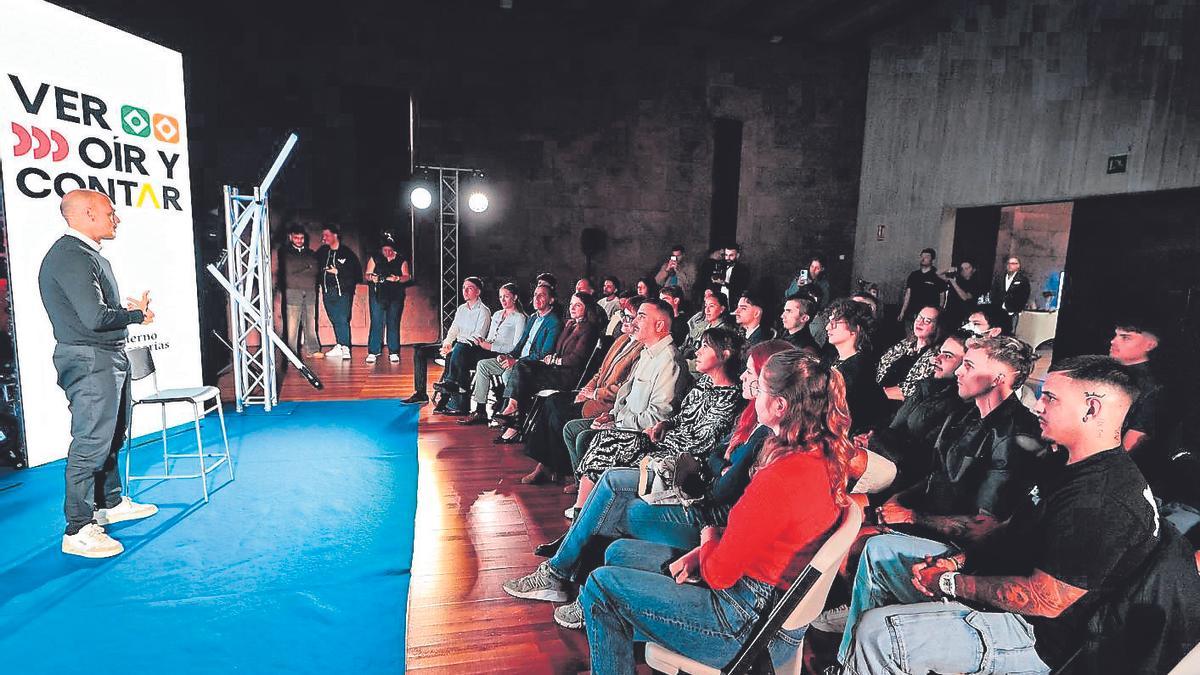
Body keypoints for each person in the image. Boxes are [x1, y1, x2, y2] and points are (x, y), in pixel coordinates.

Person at [839, 356, 1164, 675]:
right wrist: (955, 563)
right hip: (1000, 579)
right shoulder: (1062, 461)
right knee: (879, 552)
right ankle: (849, 663)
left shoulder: (1104, 498)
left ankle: (870, 656)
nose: (1038, 406)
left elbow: (1044, 599)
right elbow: (1008, 532)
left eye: (1050, 398)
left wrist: (948, 582)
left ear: (1091, 410)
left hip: (1035, 635)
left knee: (879, 635)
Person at [578, 350, 853, 674]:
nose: (753, 392)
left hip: (740, 623)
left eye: (761, 388)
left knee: (601, 586)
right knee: (620, 551)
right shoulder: (820, 455)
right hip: (763, 604)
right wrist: (704, 550)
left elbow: (719, 575)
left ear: (781, 406)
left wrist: (708, 537)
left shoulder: (782, 476)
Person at [503, 340, 796, 629]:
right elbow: (718, 455)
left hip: (702, 502)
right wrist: (719, 461)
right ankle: (567, 570)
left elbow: (720, 476)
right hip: (696, 480)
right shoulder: (751, 415)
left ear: (771, 387)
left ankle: (567, 574)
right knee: (611, 478)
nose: (744, 377)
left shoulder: (760, 425)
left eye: (750, 373)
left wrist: (720, 464)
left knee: (618, 493)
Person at [38, 189, 158, 558]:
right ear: (88, 213)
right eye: (110, 212)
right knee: (91, 442)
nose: (115, 218)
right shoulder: (71, 256)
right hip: (91, 360)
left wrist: (125, 314)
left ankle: (109, 503)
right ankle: (78, 529)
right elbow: (94, 319)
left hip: (105, 356)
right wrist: (137, 316)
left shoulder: (86, 255)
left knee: (111, 436)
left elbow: (96, 313)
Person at [571, 327, 743, 515]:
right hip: (667, 442)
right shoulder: (704, 383)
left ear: (724, 355)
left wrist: (659, 438)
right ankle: (581, 512)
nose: (697, 352)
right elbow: (683, 417)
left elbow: (702, 442)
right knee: (603, 440)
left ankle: (588, 516)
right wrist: (665, 424)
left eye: (705, 347)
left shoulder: (730, 397)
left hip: (683, 459)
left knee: (610, 449)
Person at [559, 300, 684, 509]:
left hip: (640, 434)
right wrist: (612, 415)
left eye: (642, 316)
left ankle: (595, 505)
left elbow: (658, 417)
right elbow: (625, 393)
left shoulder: (669, 361)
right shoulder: (648, 351)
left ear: (660, 325)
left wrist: (618, 423)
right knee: (572, 429)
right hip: (622, 421)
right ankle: (588, 494)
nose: (634, 321)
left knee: (584, 438)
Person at [521, 298, 646, 484]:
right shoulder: (622, 340)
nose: (625, 322)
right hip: (592, 393)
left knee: (560, 413)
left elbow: (625, 388)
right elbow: (600, 371)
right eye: (624, 317)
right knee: (551, 402)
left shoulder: (641, 348)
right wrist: (588, 388)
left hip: (607, 403)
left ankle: (568, 471)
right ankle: (545, 465)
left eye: (630, 317)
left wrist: (594, 394)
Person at [492, 292, 600, 442]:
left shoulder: (589, 329)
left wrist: (556, 361)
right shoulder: (570, 324)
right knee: (522, 366)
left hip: (568, 376)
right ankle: (513, 413)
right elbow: (558, 348)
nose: (572, 308)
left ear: (586, 308)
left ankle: (513, 417)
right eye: (571, 304)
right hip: (555, 369)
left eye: (578, 305)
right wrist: (552, 357)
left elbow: (577, 359)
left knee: (524, 376)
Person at [460, 284, 562, 425]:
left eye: (542, 295)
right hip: (516, 359)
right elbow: (520, 343)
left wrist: (516, 362)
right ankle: (480, 410)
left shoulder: (554, 322)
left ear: (551, 300)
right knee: (483, 365)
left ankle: (513, 416)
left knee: (508, 374)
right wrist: (509, 356)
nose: (536, 298)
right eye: (535, 295)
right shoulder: (533, 318)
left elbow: (543, 354)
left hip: (530, 365)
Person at [434, 282, 526, 414]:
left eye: (506, 296)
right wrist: (483, 342)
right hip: (487, 349)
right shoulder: (498, 314)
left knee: (460, 351)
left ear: (515, 297)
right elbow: (489, 337)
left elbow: (516, 347)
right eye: (501, 297)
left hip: (501, 354)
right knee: (456, 353)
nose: (503, 300)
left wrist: (490, 345)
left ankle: (454, 392)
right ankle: (458, 401)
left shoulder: (519, 318)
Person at [402, 277, 490, 405]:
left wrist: (454, 349)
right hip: (456, 346)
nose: (465, 291)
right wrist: (447, 343)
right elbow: (454, 329)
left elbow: (478, 337)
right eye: (463, 288)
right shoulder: (462, 309)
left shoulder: (484, 311)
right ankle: (420, 393)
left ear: (478, 292)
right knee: (419, 350)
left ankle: (448, 387)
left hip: (469, 349)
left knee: (458, 348)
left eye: (469, 288)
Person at [823, 298, 888, 435]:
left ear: (855, 328)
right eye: (829, 322)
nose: (828, 327)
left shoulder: (858, 368)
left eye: (835, 322)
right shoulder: (835, 360)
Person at [874, 305, 942, 400]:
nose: (920, 322)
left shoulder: (937, 355)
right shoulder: (904, 344)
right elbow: (881, 366)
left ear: (937, 327)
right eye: (919, 317)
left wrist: (877, 393)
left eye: (927, 321)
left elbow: (916, 389)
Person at [276, 224, 323, 359]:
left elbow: (315, 269)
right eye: (296, 238)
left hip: (310, 292)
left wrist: (304, 268)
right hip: (292, 291)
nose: (299, 240)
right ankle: (291, 354)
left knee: (311, 322)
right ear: (290, 237)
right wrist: (307, 267)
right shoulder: (284, 252)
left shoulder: (311, 253)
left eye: (301, 238)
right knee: (292, 323)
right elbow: (290, 269)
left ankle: (313, 350)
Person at [316, 225, 362, 359]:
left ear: (335, 235)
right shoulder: (322, 252)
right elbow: (312, 264)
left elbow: (357, 274)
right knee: (334, 319)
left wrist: (339, 272)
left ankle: (345, 347)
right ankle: (340, 345)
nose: (324, 238)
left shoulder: (347, 253)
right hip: (326, 291)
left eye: (327, 235)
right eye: (323, 235)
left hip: (343, 293)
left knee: (342, 318)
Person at [363, 241, 411, 364]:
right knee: (376, 321)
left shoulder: (401, 260)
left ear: (394, 250)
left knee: (393, 322)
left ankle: (393, 351)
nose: (387, 253)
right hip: (377, 294)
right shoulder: (375, 258)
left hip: (395, 295)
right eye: (384, 250)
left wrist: (398, 278)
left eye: (389, 250)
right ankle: (373, 351)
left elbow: (407, 276)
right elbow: (367, 275)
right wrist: (372, 277)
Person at [681, 290, 734, 372]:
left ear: (722, 309)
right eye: (706, 306)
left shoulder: (723, 331)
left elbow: (710, 360)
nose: (707, 310)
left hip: (698, 370)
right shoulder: (702, 325)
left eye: (711, 306)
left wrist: (683, 364)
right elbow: (686, 343)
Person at [897, 247, 946, 324]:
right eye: (922, 256)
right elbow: (908, 294)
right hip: (912, 313)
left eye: (927, 257)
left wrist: (939, 313)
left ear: (932, 260)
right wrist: (902, 311)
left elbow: (942, 297)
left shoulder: (937, 276)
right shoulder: (914, 275)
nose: (923, 259)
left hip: (928, 315)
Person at [939, 259, 986, 328]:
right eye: (962, 268)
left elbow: (965, 297)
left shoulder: (976, 284)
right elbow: (938, 274)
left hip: (963, 315)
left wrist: (953, 283)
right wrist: (949, 269)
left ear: (973, 270)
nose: (964, 270)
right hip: (949, 312)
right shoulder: (957, 279)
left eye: (967, 268)